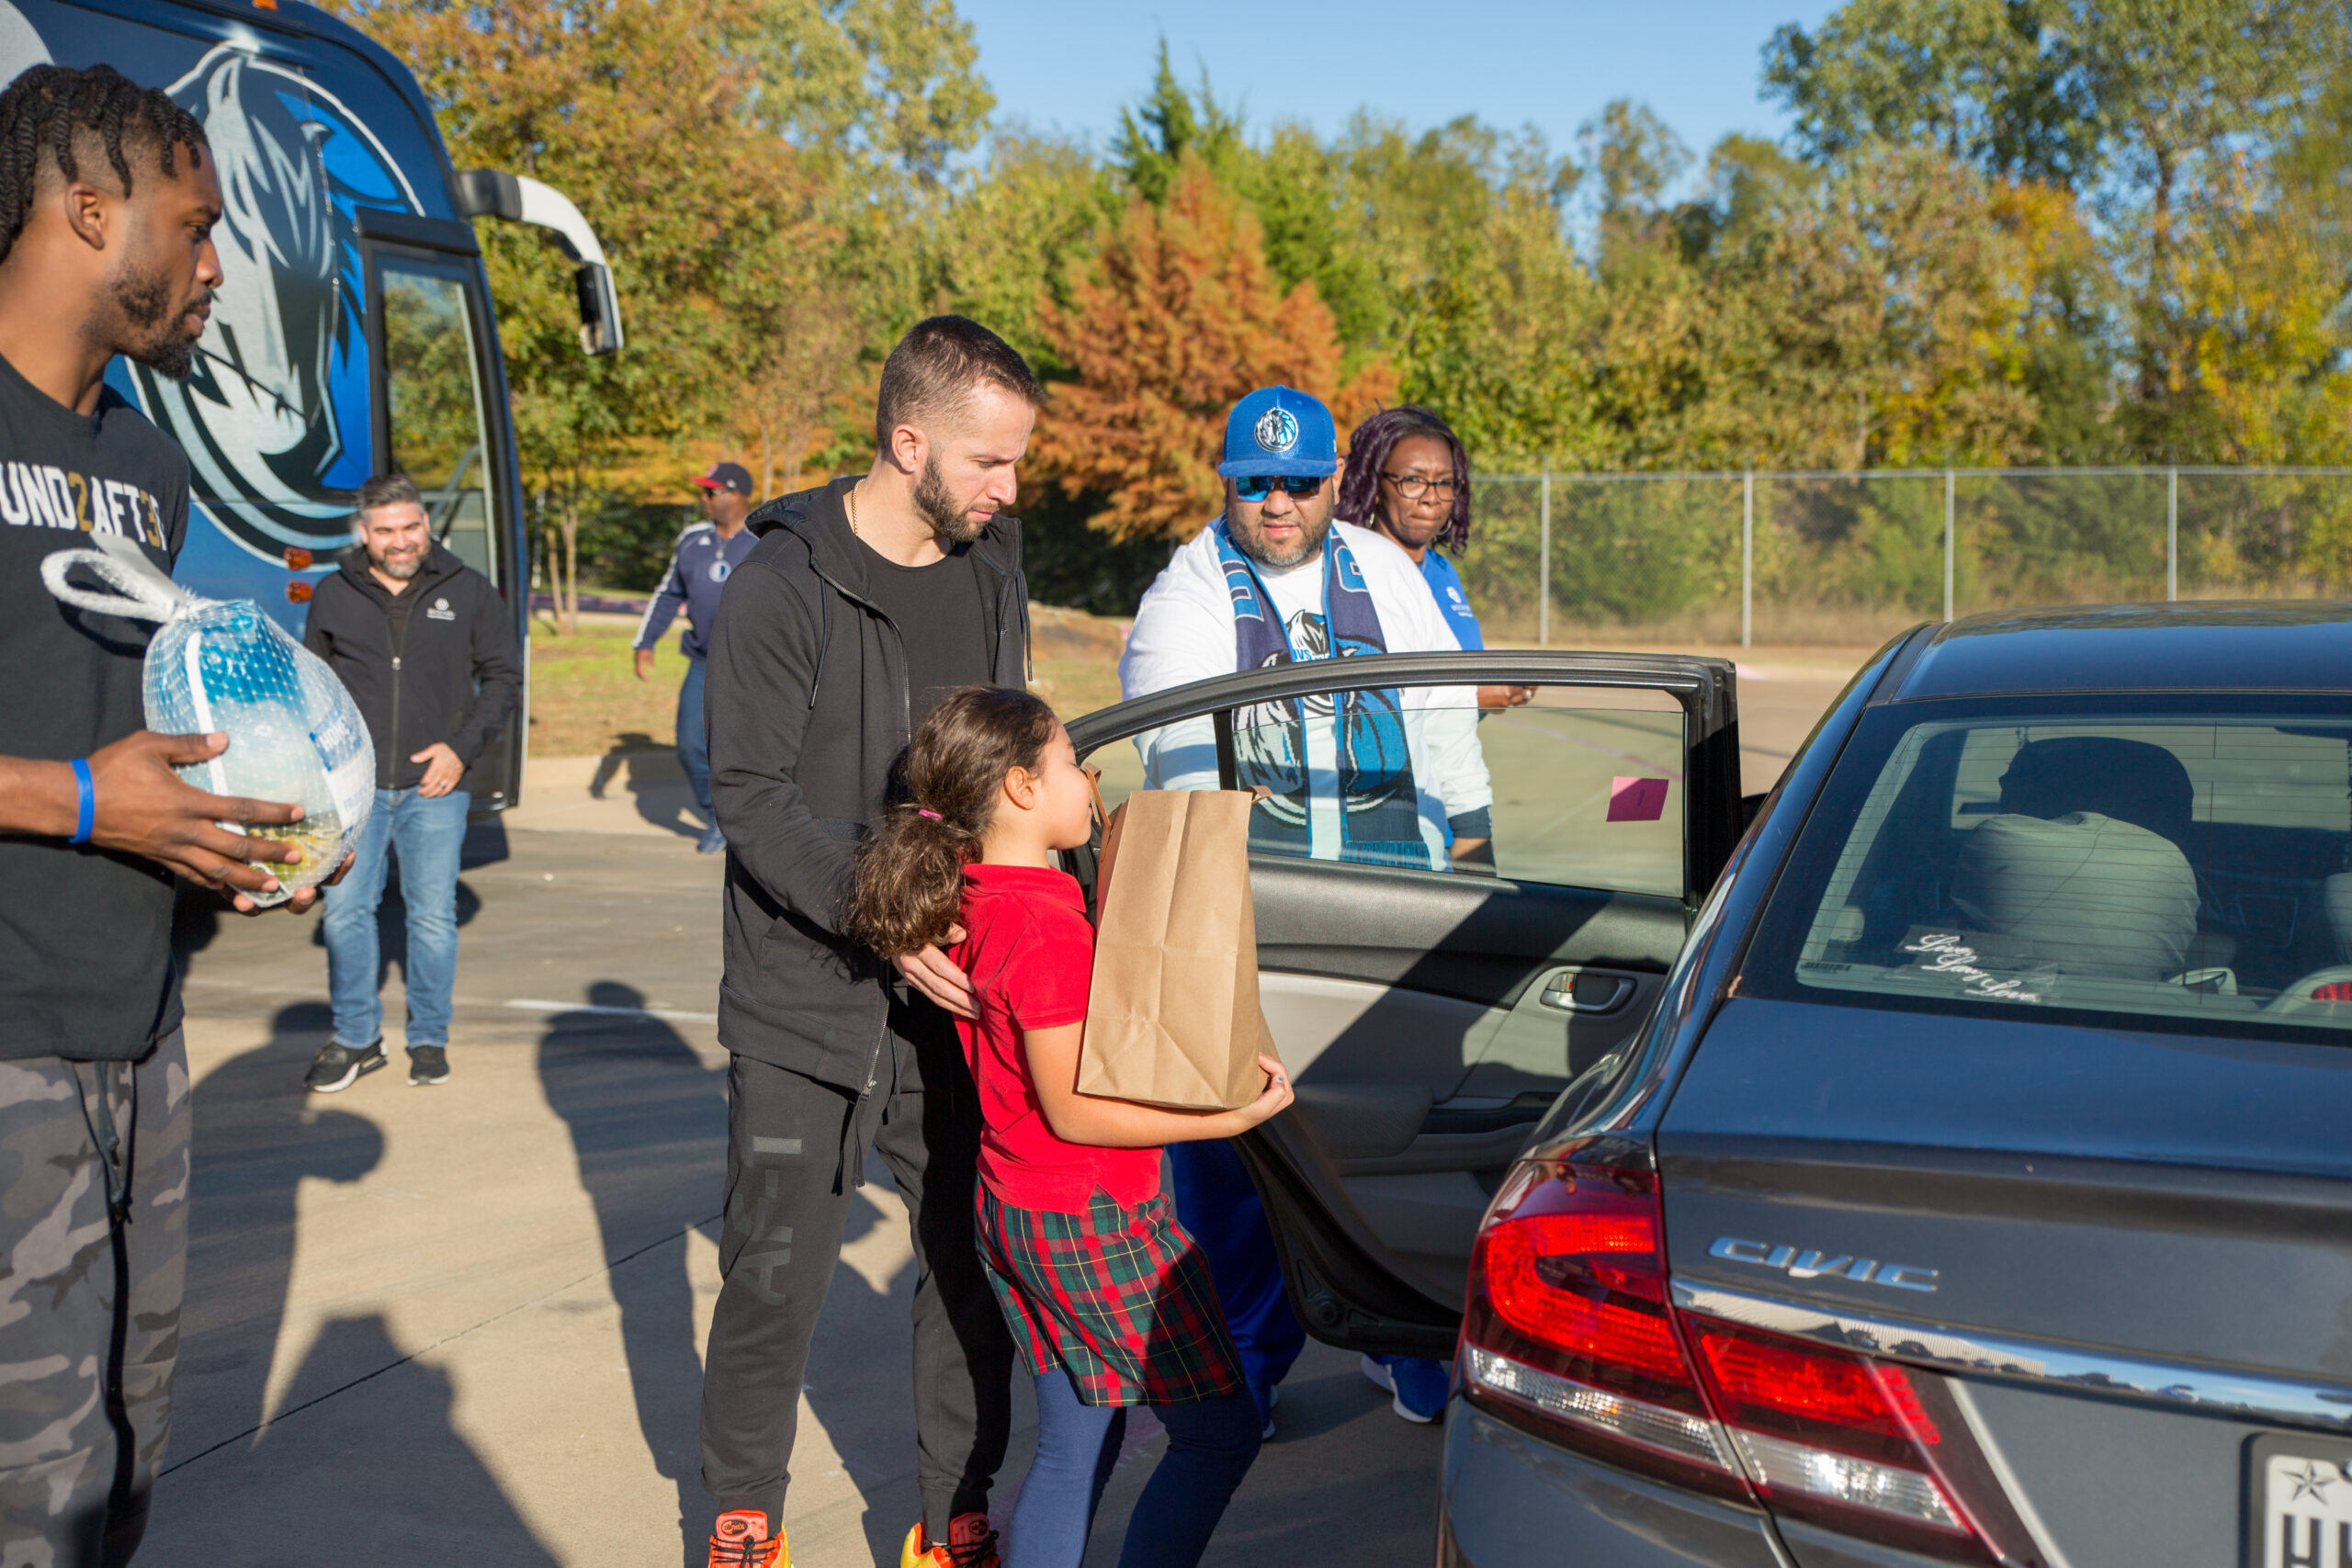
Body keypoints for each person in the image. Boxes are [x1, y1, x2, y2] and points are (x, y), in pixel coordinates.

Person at [0, 62, 342, 1566]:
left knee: (123, 1475)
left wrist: (244, 836)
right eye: (195, 229)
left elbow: (148, 744)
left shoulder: (143, 460)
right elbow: (95, 780)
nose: (215, 267)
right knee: (34, 1503)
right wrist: (84, 802)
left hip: (142, 1038)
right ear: (88, 209)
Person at [698, 317, 1040, 1568]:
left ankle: (954, 1513)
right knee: (773, 1276)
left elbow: (996, 764)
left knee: (966, 1265)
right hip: (805, 995)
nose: (1010, 489)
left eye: (1015, 462)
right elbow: (749, 795)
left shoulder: (992, 567)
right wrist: (890, 921)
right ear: (910, 443)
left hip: (952, 994)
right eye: (990, 462)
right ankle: (744, 1512)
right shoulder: (782, 585)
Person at [1115, 385, 1492, 1438]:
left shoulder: (1382, 572)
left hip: (1388, 901)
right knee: (1238, 1172)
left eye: (1295, 482)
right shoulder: (1187, 596)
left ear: (1334, 480)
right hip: (1257, 919)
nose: (1275, 504)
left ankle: (1408, 1342)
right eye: (1253, 485)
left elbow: (1441, 706)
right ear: (1226, 486)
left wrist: (1470, 843)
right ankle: (1242, 1373)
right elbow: (1182, 767)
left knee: (1395, 1149)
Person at [844, 687, 1283, 1568]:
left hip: (1019, 1206)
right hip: (1092, 1217)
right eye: (1069, 763)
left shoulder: (985, 891)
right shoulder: (1042, 928)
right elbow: (1073, 1107)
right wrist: (1227, 1116)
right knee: (1220, 1433)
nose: (1089, 782)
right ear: (1017, 787)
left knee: (1077, 1439)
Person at [302, 471, 523, 1091]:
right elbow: (312, 689)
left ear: (426, 525)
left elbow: (505, 678)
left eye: (410, 527)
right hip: (355, 789)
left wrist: (460, 749)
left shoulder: (470, 590)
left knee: (431, 918)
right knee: (345, 912)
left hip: (436, 786)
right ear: (363, 534)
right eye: (385, 531)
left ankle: (428, 1037)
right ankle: (354, 1038)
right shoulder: (332, 595)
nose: (400, 541)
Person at [635, 460, 760, 854]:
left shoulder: (766, 538)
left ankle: (755, 823)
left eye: (711, 492)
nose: (703, 499)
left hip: (753, 668)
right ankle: (716, 816)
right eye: (703, 492)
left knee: (753, 749)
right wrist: (645, 642)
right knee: (690, 745)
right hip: (703, 663)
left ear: (737, 494)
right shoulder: (691, 539)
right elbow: (669, 593)